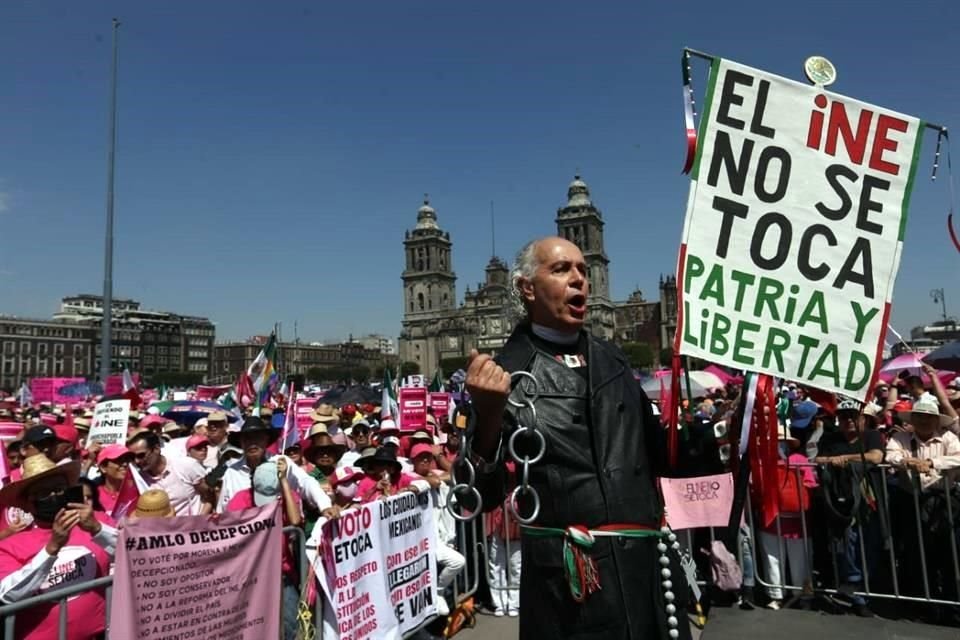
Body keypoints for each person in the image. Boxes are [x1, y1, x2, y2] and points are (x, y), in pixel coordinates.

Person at [466, 236, 691, 639]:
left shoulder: (615, 360)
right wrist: (487, 416)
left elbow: (662, 457)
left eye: (583, 270)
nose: (579, 280)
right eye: (561, 269)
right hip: (571, 587)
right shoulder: (504, 377)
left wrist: (716, 426)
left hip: (644, 576)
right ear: (527, 288)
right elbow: (476, 496)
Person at [0, 455, 118, 640]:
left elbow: (134, 556)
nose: (55, 496)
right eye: (44, 493)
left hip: (103, 634)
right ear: (27, 503)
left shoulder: (96, 520)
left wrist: (97, 529)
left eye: (60, 489)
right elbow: (8, 595)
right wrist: (52, 547)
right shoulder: (9, 546)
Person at [226, 459, 302, 640]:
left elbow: (295, 521)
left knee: (291, 625)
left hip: (282, 575)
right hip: (249, 575)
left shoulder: (288, 495)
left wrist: (283, 482)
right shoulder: (240, 499)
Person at [215, 417, 336, 517]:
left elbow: (306, 482)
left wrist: (325, 505)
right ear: (241, 443)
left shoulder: (281, 462)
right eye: (247, 438)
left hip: (278, 535)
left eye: (257, 437)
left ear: (266, 440)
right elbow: (224, 508)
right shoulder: (232, 472)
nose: (252, 442)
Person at [127, 432, 212, 516]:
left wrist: (200, 520)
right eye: (132, 457)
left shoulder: (186, 465)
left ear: (156, 449)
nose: (137, 461)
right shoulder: (138, 480)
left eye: (141, 455)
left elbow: (209, 495)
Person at [93, 444, 134, 515]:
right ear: (103, 468)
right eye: (119, 460)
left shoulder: (137, 493)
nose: (125, 464)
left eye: (127, 460)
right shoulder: (94, 496)